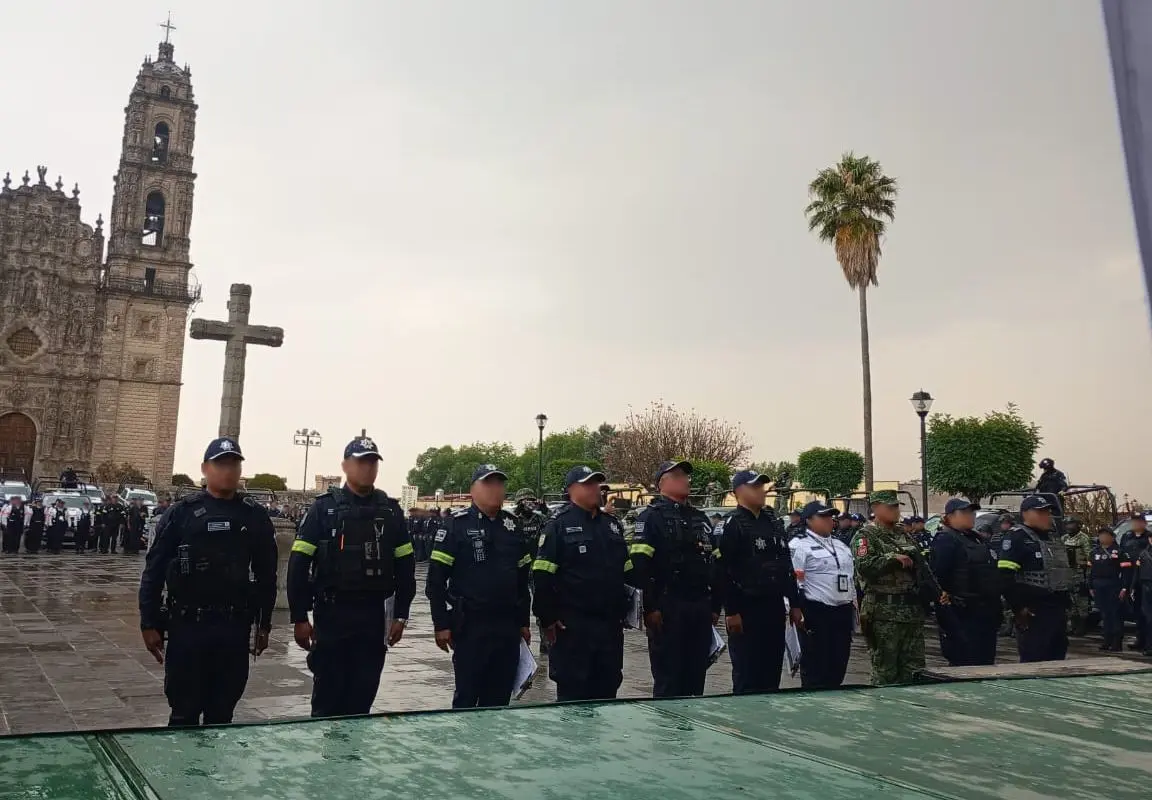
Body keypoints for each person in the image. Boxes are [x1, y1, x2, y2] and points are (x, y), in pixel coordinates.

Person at [138, 437, 278, 727]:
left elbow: (267, 575)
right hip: (188, 626)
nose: (227, 471)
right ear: (205, 468)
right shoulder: (182, 513)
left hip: (233, 627)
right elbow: (154, 568)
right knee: (183, 713)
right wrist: (148, 622)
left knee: (222, 713)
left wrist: (264, 625)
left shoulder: (253, 516)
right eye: (220, 464)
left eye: (234, 464)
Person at [287, 436, 415, 717]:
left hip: (374, 618)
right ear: (346, 465)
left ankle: (352, 759)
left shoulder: (390, 511)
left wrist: (401, 616)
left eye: (372, 462)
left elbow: (406, 568)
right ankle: (330, 761)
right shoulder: (323, 509)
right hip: (333, 615)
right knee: (327, 701)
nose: (367, 468)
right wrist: (299, 617)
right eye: (361, 461)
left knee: (362, 699)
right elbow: (298, 565)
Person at [426, 464, 531, 709]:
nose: (495, 489)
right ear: (473, 490)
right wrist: (440, 624)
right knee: (467, 695)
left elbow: (522, 580)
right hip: (471, 626)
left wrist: (524, 621)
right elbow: (435, 582)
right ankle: (464, 747)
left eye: (499, 483)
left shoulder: (512, 526)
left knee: (499, 698)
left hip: (506, 627)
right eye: (488, 483)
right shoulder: (456, 526)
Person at [532, 465, 631, 701]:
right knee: (573, 693)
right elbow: (542, 575)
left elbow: (627, 571)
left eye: (596, 484)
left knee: (607, 690)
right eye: (587, 484)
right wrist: (547, 618)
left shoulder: (612, 525)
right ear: (571, 490)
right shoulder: (558, 525)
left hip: (609, 627)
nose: (595, 489)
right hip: (574, 628)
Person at [627, 460, 716, 698]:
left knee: (696, 676)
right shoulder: (651, 518)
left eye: (686, 475)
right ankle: (668, 733)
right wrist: (650, 607)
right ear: (662, 483)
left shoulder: (700, 518)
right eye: (677, 475)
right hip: (668, 607)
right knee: (670, 678)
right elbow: (640, 566)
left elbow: (715, 563)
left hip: (699, 605)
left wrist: (715, 605)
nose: (685, 480)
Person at [712, 470, 801, 694]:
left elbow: (785, 564)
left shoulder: (773, 521)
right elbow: (723, 571)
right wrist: (731, 611)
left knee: (771, 671)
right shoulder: (732, 523)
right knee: (747, 672)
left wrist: (795, 603)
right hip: (746, 608)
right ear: (739, 492)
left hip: (773, 606)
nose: (761, 491)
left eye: (762, 486)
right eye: (755, 487)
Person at [853, 491, 942, 686]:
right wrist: (892, 559)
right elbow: (865, 565)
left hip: (911, 611)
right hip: (883, 612)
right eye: (890, 507)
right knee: (886, 670)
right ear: (875, 508)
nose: (895, 511)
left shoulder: (904, 535)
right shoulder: (866, 535)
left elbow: (922, 567)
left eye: (897, 506)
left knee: (914, 669)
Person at [996, 495, 1076, 663]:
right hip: (1034, 611)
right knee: (1035, 658)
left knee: (1057, 656)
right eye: (1040, 512)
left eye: (1047, 511)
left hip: (1057, 608)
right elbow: (1005, 577)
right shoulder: (1017, 537)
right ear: (1025, 514)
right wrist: (1018, 608)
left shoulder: (1052, 537)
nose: (1046, 515)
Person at [789, 501, 855, 688]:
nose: (829, 520)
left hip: (842, 612)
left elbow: (850, 578)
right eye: (823, 516)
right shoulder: (799, 545)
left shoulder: (841, 545)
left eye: (830, 516)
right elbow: (794, 581)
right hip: (816, 612)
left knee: (838, 666)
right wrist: (796, 610)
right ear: (808, 520)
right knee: (816, 669)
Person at [930, 499, 1001, 666]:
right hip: (962, 614)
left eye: (972, 512)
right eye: (965, 513)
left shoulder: (977, 539)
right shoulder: (946, 540)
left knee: (985, 663)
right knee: (964, 664)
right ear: (950, 517)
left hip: (984, 613)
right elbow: (938, 578)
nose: (971, 516)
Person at [1090, 527, 1127, 652]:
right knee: (1104, 614)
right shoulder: (1095, 552)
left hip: (1113, 584)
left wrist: (1124, 587)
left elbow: (1126, 572)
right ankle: (1106, 640)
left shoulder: (1119, 552)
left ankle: (1117, 642)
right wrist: (1090, 586)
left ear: (1112, 537)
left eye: (1105, 535)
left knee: (1115, 614)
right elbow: (1091, 570)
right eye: (1101, 536)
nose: (1103, 538)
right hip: (1098, 585)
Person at [1123, 513, 1152, 655]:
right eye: (1133, 521)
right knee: (1136, 611)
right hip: (1130, 577)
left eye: (1138, 521)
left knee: (1147, 612)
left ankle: (1148, 642)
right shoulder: (1127, 536)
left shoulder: (1149, 537)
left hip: (1146, 578)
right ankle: (1140, 639)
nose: (1135, 524)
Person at [1061, 518, 1092, 635]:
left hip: (1079, 572)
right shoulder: (1064, 538)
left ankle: (1082, 625)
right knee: (1069, 600)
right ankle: (1072, 625)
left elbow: (1089, 556)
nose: (1069, 527)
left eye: (1072, 524)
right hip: (1067, 572)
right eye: (1068, 524)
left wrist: (1087, 573)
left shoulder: (1083, 538)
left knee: (1081, 599)